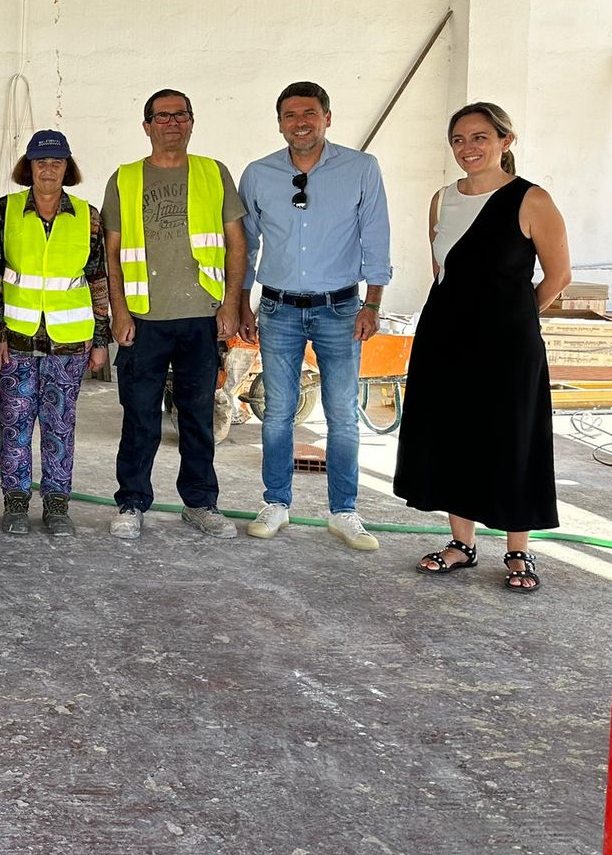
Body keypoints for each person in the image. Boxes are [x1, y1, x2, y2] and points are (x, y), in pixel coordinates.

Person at [394, 104, 569, 593]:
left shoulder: (531, 199)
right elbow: (442, 270)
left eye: (479, 138)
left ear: (505, 141)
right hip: (445, 337)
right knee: (454, 434)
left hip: (509, 343)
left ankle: (518, 551)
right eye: (458, 140)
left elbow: (558, 276)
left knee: (514, 436)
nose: (468, 148)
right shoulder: (441, 199)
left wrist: (514, 316)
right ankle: (462, 544)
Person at [238, 81, 392, 551]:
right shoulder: (259, 173)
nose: (300, 122)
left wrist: (373, 303)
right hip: (278, 308)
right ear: (279, 121)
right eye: (290, 114)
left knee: (343, 413)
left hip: (341, 308)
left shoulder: (361, 169)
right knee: (277, 411)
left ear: (328, 116)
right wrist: (241, 300)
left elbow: (376, 235)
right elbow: (246, 242)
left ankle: (344, 511)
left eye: (309, 112)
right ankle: (276, 503)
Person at [103, 91, 246, 542]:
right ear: (146, 126)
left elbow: (236, 243)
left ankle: (200, 502)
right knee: (139, 416)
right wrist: (119, 311)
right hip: (144, 319)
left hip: (200, 316)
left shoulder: (212, 172)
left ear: (191, 122)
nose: (171, 123)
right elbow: (111, 254)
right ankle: (131, 502)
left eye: (179, 115)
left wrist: (229, 303)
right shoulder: (124, 179)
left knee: (198, 416)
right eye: (161, 116)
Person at [0, 129, 112, 536]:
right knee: (15, 423)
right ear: (28, 166)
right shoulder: (3, 211)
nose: (48, 169)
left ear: (68, 166)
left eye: (56, 161)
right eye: (40, 161)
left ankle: (57, 503)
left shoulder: (88, 216)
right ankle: (16, 502)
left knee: (60, 424)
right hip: (17, 342)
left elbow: (97, 279)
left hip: (69, 343)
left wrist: (100, 341)